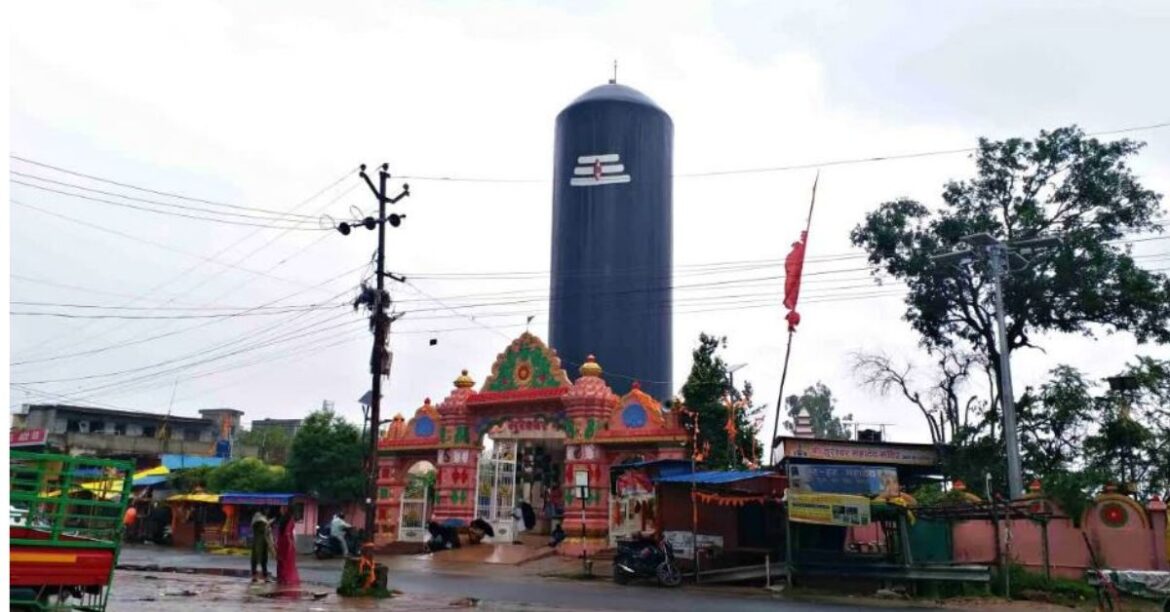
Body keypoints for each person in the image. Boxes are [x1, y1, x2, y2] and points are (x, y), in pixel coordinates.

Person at [274, 506, 300, 587]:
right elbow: (287, 532)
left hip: (281, 542)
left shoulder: (282, 519)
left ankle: (281, 578)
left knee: (281, 561)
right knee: (288, 561)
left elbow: (280, 532)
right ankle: (287, 579)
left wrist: (276, 542)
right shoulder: (289, 519)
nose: (280, 510)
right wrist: (291, 543)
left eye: (282, 508)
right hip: (287, 542)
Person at [250, 509, 272, 582]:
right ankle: (264, 576)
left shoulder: (255, 519)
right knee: (263, 560)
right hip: (261, 542)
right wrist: (269, 525)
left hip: (257, 542)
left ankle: (255, 576)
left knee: (255, 560)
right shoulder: (262, 521)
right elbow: (266, 530)